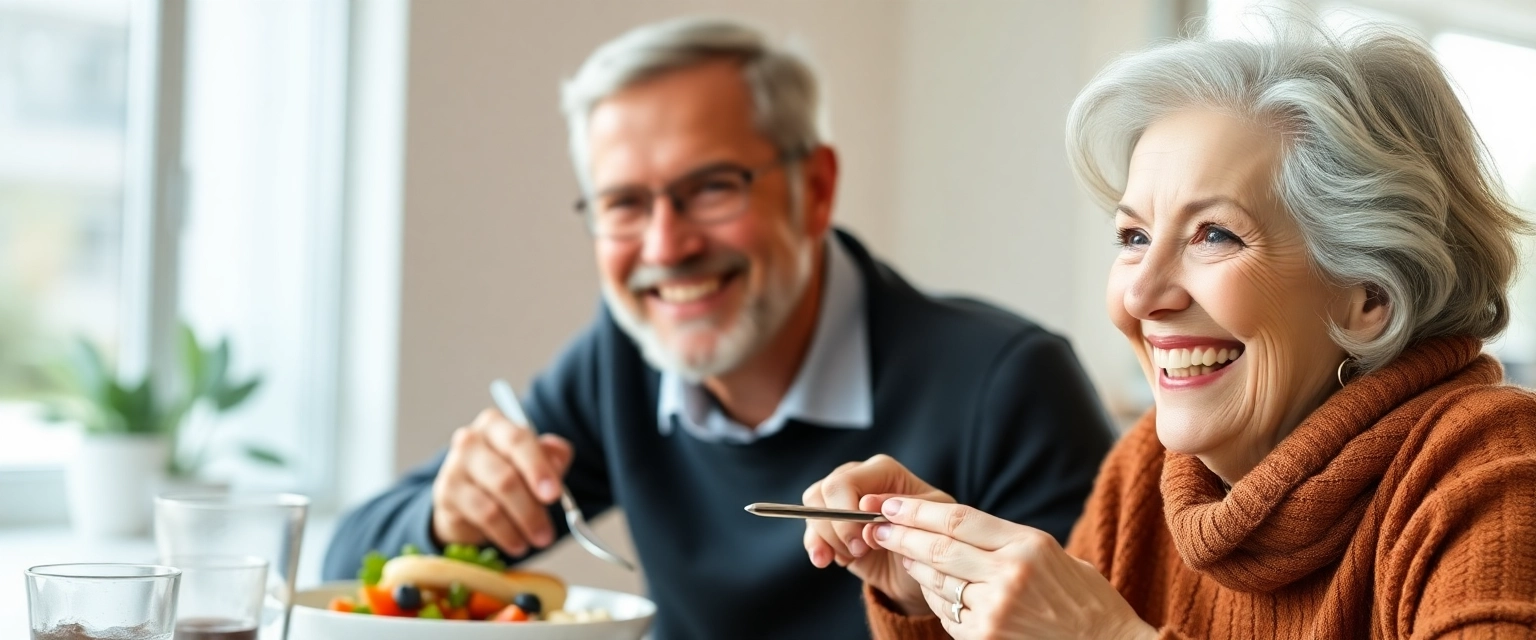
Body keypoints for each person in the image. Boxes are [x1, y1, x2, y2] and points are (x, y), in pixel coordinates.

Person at [323, 17, 1115, 640]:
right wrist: (444, 519)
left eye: (711, 189)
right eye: (624, 205)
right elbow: (341, 569)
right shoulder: (620, 359)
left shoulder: (1009, 385)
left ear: (816, 188)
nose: (666, 248)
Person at [804, 20, 1536, 640]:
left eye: (1214, 234)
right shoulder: (1146, 473)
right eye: (1132, 236)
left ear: (1368, 296)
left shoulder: (1491, 469)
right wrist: (937, 591)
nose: (1142, 294)